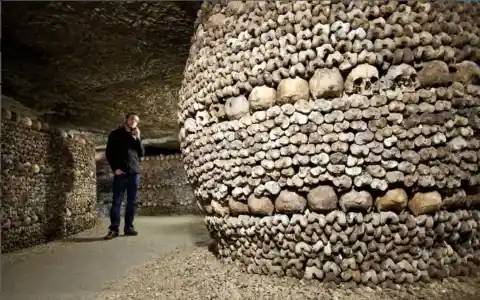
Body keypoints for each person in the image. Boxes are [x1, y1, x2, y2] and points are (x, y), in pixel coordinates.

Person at [104, 112, 145, 240]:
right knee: (117, 202)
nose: (134, 121)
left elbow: (141, 153)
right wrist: (114, 168)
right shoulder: (115, 134)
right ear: (126, 119)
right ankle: (114, 229)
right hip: (120, 173)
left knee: (131, 203)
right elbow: (109, 153)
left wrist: (138, 138)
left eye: (136, 120)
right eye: (132, 118)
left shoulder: (135, 136)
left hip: (134, 173)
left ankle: (129, 228)